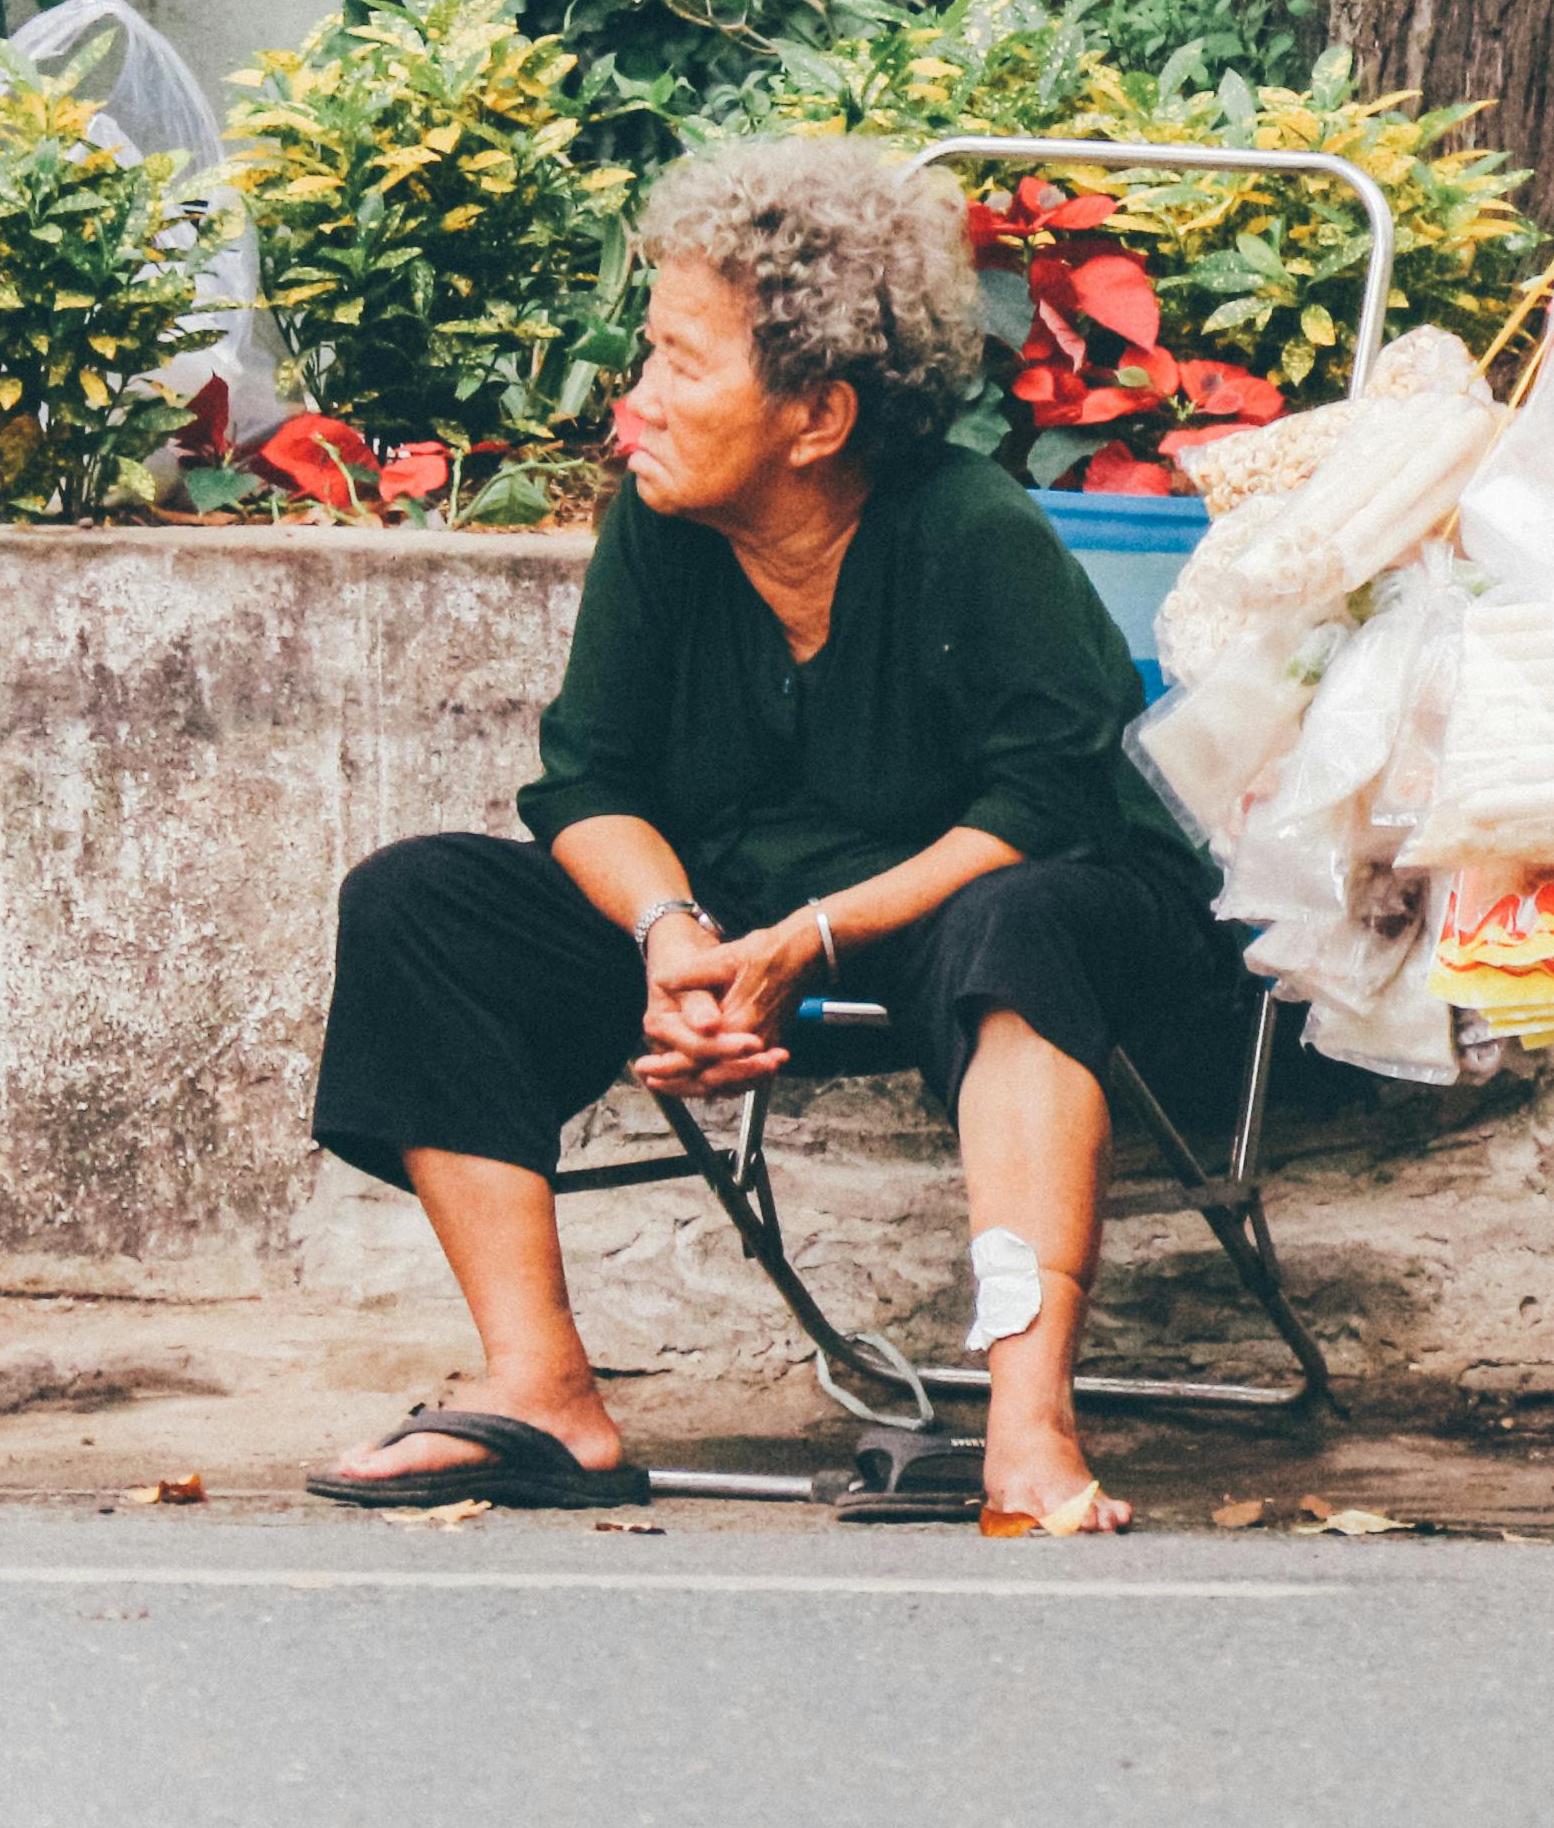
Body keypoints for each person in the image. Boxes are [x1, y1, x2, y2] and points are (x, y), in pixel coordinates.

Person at [305, 137, 1212, 1531]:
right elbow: (585, 780)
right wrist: (676, 940)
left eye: (681, 363)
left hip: (1012, 906)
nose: (637, 402)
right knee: (420, 901)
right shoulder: (666, 524)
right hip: (749, 913)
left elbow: (1048, 803)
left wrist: (817, 935)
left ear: (818, 416)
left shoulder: (972, 533)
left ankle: (1031, 1432)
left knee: (1017, 929)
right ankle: (543, 1393)